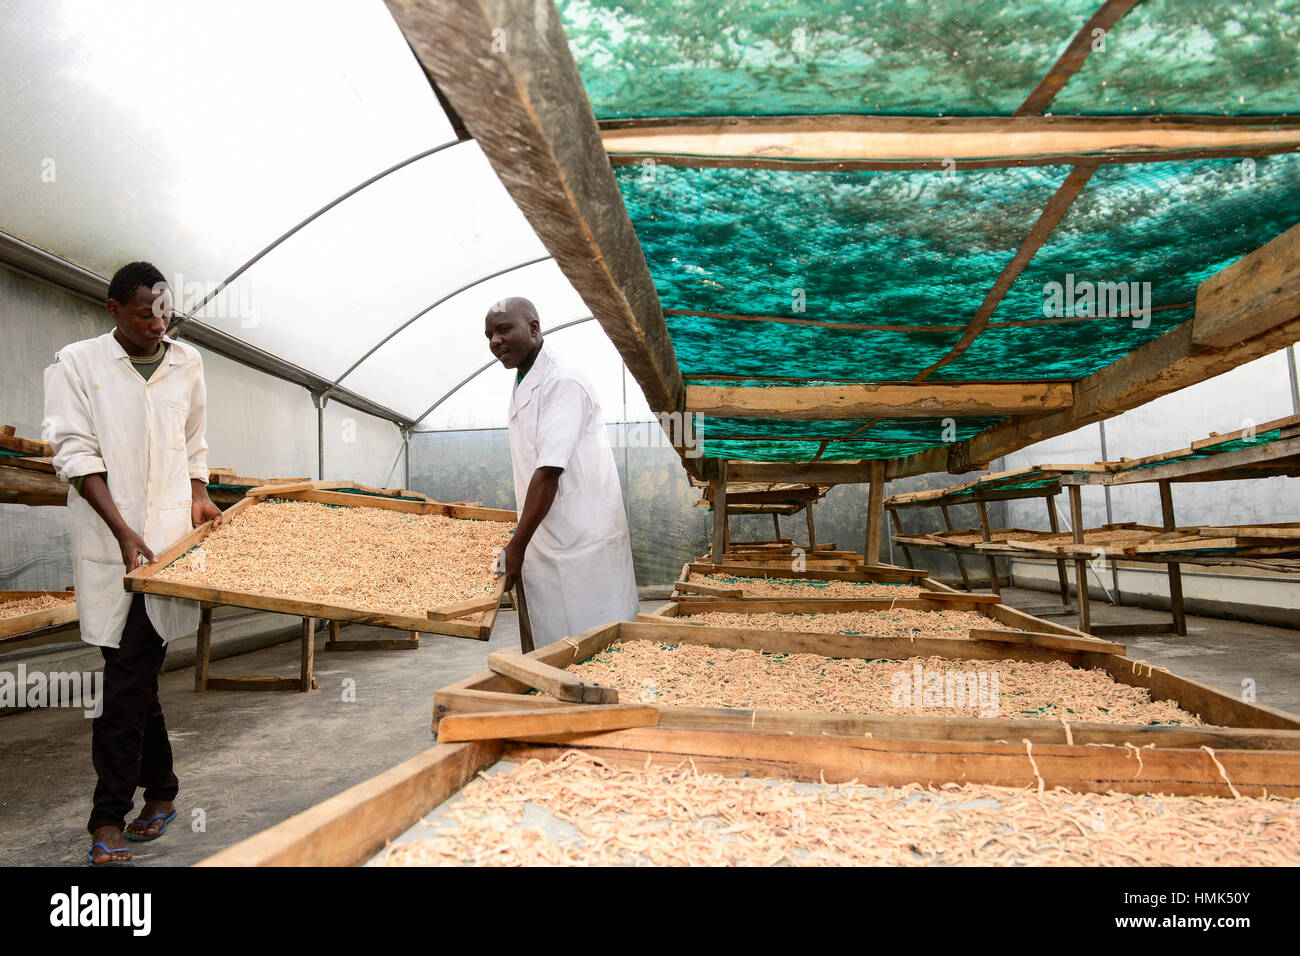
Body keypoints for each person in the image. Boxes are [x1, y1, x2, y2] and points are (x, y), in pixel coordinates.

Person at [43, 261, 220, 866]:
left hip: (168, 546)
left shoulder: (186, 363)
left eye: (164, 313)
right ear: (113, 308)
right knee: (131, 677)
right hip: (109, 542)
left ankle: (113, 813)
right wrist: (121, 527)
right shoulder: (76, 364)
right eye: (144, 313)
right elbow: (74, 451)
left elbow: (194, 440)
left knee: (127, 680)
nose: (157, 325)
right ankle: (149, 800)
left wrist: (198, 493)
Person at [485, 297, 639, 647]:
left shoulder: (563, 380)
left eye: (504, 329)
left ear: (534, 328)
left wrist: (516, 546)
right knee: (550, 651)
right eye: (489, 335)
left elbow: (549, 469)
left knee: (596, 650)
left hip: (583, 540)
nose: (495, 341)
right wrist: (521, 543)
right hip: (550, 533)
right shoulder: (525, 376)